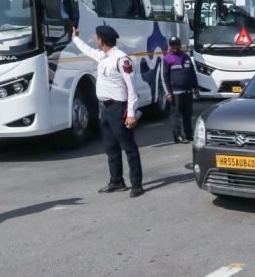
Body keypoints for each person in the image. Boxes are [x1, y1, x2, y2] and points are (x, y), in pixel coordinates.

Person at [72, 24, 144, 197]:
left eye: (97, 37)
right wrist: (75, 38)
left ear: (102, 40)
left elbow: (132, 88)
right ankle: (117, 181)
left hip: (118, 108)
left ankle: (137, 185)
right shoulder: (103, 56)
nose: (95, 40)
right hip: (104, 109)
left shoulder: (121, 59)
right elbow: (88, 50)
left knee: (129, 148)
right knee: (110, 147)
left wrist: (132, 113)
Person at [161, 36, 197, 143]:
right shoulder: (167, 58)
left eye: (176, 44)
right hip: (175, 93)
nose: (175, 47)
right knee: (175, 115)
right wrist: (168, 93)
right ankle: (177, 136)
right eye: (172, 45)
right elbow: (164, 77)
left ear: (180, 45)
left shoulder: (186, 57)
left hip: (188, 92)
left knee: (187, 114)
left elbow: (192, 73)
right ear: (170, 46)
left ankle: (189, 134)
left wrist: (196, 88)